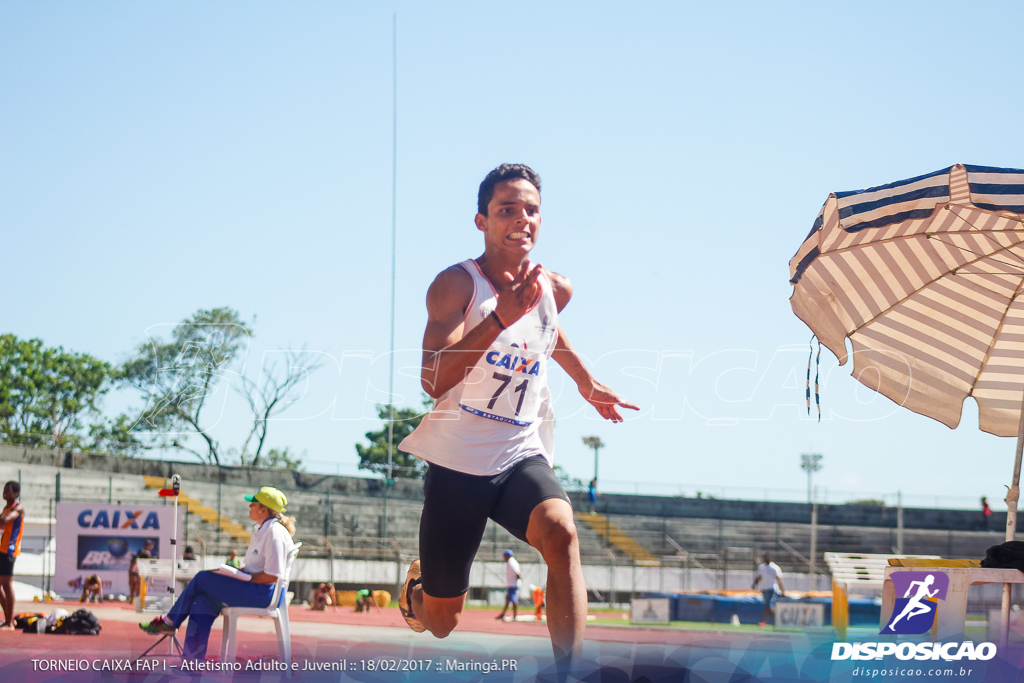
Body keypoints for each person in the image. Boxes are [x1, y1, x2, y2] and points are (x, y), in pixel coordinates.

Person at [397, 164, 638, 671]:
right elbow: (432, 380)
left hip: (519, 451)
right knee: (442, 621)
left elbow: (550, 328)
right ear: (482, 220)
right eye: (507, 209)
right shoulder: (455, 286)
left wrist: (586, 380)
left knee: (562, 531)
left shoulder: (556, 288)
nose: (521, 219)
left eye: (531, 210)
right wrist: (500, 317)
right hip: (458, 462)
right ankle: (417, 594)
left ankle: (568, 672)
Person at [139, 487, 296, 660]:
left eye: (253, 503)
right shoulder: (261, 530)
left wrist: (245, 578)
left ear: (263, 509)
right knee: (201, 603)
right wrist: (237, 574)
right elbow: (256, 568)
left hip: (265, 594)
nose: (249, 506)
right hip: (254, 587)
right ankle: (192, 664)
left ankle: (169, 621)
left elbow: (273, 576)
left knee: (202, 578)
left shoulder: (274, 533)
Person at [0, 481, 25, 629]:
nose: (4, 492)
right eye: (4, 489)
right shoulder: (6, 508)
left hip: (10, 549)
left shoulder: (18, 507)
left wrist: (3, 518)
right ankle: (8, 618)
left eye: (7, 490)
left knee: (6, 584)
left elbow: (5, 520)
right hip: (2, 549)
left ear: (15, 493)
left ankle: (10, 622)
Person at [752, 554, 786, 626]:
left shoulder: (774, 568)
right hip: (765, 589)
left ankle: (765, 621)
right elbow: (760, 577)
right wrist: (755, 584)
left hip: (772, 589)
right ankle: (776, 621)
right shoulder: (762, 567)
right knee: (768, 606)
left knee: (769, 606)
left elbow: (779, 579)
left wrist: (783, 591)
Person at [495, 550, 522, 621]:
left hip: (513, 584)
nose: (504, 558)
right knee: (508, 599)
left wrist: (517, 580)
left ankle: (515, 616)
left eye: (504, 556)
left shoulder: (511, 562)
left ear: (507, 556)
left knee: (513, 600)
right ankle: (503, 614)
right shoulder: (510, 562)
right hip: (511, 584)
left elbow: (518, 573)